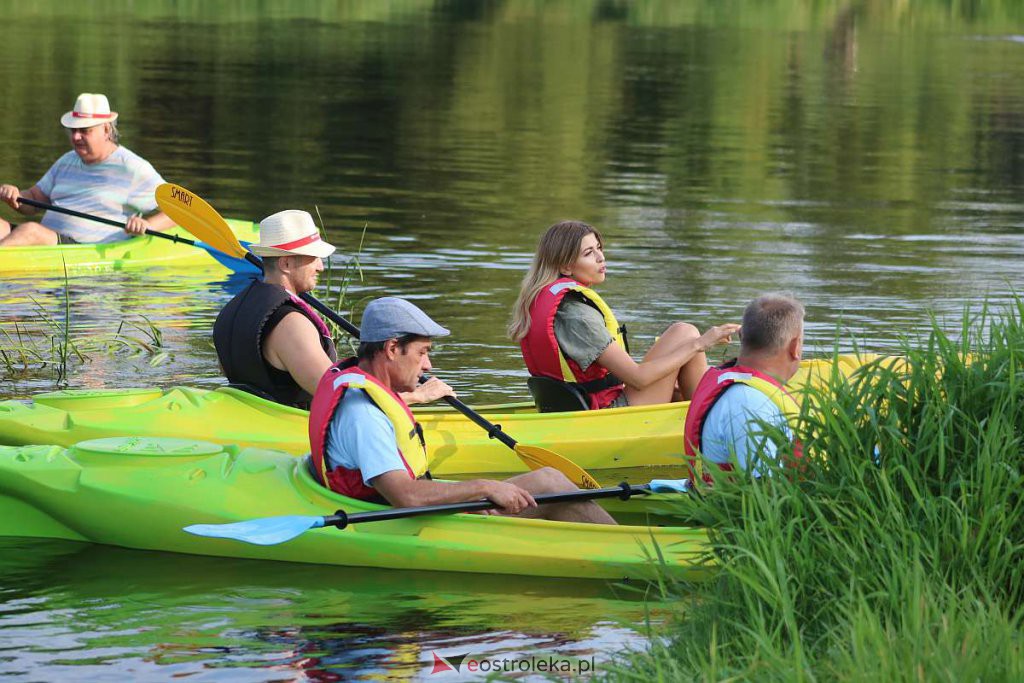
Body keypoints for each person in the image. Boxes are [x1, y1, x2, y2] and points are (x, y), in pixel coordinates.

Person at [308, 297, 616, 523]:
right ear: (391, 349)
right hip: (405, 524)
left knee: (550, 478)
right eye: (422, 352)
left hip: (410, 510)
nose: (428, 365)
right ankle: (629, 553)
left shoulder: (363, 391)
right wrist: (482, 487)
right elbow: (407, 496)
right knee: (550, 484)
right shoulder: (364, 415)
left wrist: (469, 493)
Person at [213, 210, 452, 409]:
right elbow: (342, 398)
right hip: (293, 430)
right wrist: (418, 396)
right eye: (314, 258)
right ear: (285, 263)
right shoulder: (291, 324)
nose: (320, 267)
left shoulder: (233, 308)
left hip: (255, 420)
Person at [508, 220, 740, 409]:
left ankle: (695, 408)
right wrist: (702, 343)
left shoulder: (556, 301)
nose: (601, 257)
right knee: (687, 335)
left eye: (599, 248)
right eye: (589, 253)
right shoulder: (575, 316)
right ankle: (705, 421)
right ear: (566, 267)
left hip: (592, 403)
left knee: (683, 336)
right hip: (608, 414)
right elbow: (639, 378)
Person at [0, 93, 173, 246]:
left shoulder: (133, 168)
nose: (75, 137)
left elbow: (176, 211)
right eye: (73, 130)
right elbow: (34, 199)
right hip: (45, 242)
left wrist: (148, 225)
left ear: (106, 130)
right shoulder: (66, 161)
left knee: (31, 231)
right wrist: (15, 196)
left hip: (81, 249)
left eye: (84, 130)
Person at [683, 293, 805, 480]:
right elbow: (763, 493)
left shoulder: (748, 391)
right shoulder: (750, 404)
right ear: (795, 347)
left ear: (741, 336)